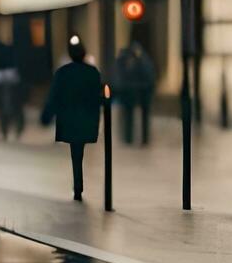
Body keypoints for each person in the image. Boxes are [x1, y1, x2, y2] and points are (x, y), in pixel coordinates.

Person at [42, 36, 105, 201]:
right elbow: (99, 96)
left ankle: (78, 185)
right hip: (87, 119)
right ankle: (78, 185)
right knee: (79, 152)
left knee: (75, 153)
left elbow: (54, 97)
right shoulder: (92, 73)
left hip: (69, 119)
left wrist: (46, 116)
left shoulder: (63, 73)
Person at [113, 38, 157, 146]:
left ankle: (140, 139)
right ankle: (129, 139)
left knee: (139, 118)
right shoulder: (127, 60)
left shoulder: (143, 61)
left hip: (141, 92)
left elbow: (148, 76)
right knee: (129, 117)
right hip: (131, 92)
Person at [0, 38, 24, 140]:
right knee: (12, 105)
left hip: (0, 78)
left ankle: (5, 131)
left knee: (3, 105)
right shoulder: (13, 52)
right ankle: (13, 129)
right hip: (11, 77)